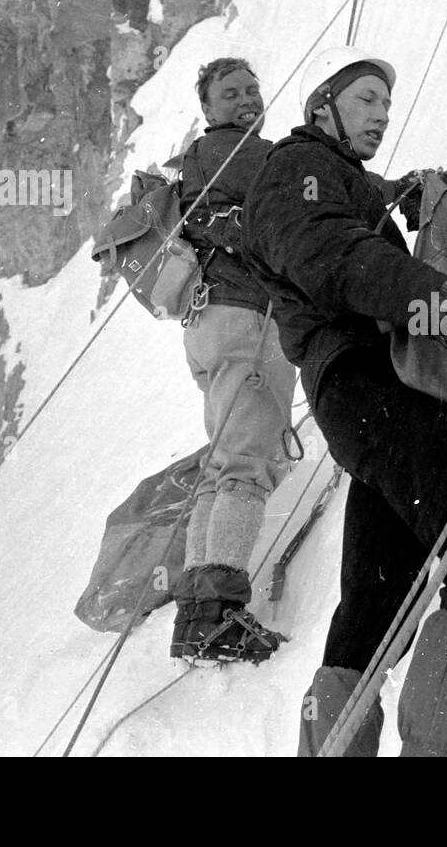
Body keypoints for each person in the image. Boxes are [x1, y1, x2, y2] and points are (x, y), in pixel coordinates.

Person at [238, 45, 447, 755]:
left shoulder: (331, 180)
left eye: (387, 104)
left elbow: (348, 228)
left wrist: (397, 196)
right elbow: (339, 258)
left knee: (372, 614)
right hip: (370, 386)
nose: (382, 114)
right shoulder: (293, 173)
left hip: (362, 402)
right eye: (366, 99)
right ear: (322, 106)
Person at [169, 58, 297, 662]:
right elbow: (303, 197)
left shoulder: (199, 158)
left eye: (251, 88)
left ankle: (197, 614)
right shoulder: (245, 152)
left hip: (207, 323)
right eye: (231, 93)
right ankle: (220, 616)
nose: (247, 99)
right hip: (248, 319)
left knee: (220, 468)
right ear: (209, 108)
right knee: (245, 464)